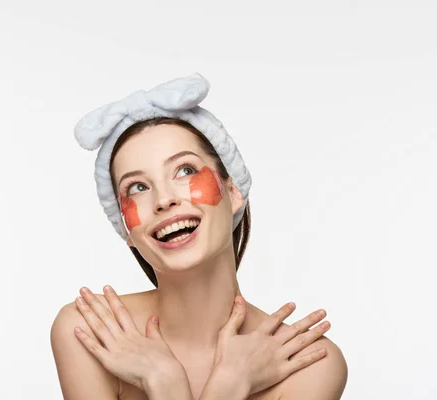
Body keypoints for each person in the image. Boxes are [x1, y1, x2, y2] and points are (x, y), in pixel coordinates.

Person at [50, 74, 348, 399]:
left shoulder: (310, 365)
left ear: (233, 191)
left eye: (185, 170)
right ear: (127, 231)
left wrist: (208, 384)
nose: (163, 199)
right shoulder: (91, 332)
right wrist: (187, 383)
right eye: (138, 187)